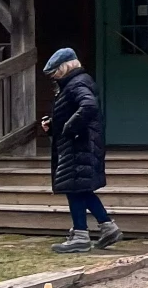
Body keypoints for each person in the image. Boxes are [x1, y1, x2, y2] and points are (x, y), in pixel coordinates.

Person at [40, 48, 121, 254]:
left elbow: (88, 107)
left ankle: (80, 235)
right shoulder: (74, 84)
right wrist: (54, 124)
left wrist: (68, 128)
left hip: (78, 145)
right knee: (81, 189)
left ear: (65, 67)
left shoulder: (76, 83)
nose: (53, 76)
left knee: (75, 190)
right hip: (77, 145)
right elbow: (76, 111)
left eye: (55, 72)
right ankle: (107, 226)